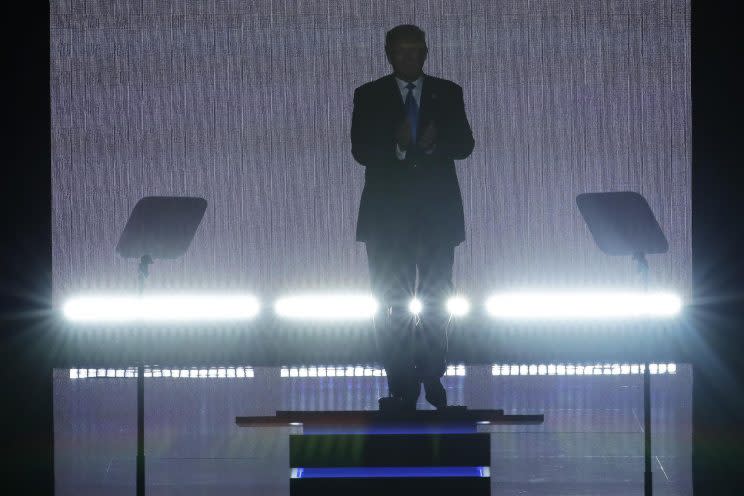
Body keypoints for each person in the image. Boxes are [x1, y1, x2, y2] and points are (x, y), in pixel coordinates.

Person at [350, 24, 475, 410]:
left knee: (438, 299)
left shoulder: (448, 92)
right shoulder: (368, 95)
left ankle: (432, 376)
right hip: (388, 220)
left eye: (416, 50)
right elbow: (361, 150)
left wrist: (437, 143)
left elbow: (466, 144)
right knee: (392, 304)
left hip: (436, 216)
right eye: (402, 51)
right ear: (388, 53)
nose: (410, 57)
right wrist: (397, 146)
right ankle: (400, 384)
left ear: (426, 52)